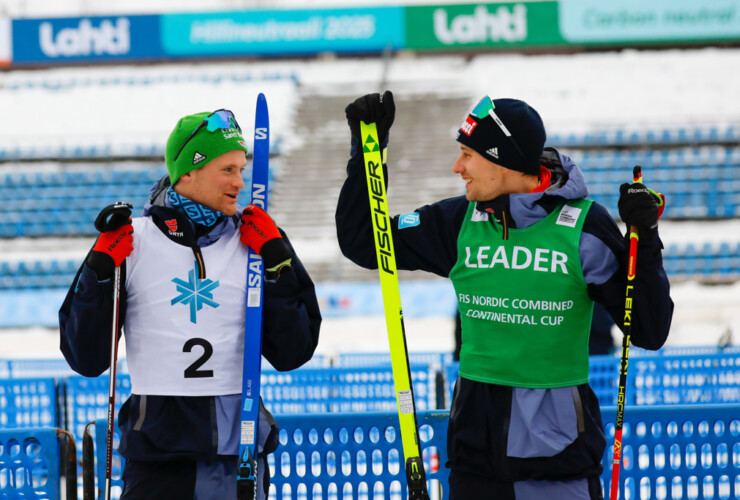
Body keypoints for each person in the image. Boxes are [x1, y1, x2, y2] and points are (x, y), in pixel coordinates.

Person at [336, 92, 673, 499]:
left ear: (501, 159)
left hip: (559, 466)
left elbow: (649, 330)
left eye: (467, 155)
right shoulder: (460, 221)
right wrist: (367, 151)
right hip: (475, 462)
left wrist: (646, 237)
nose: (457, 167)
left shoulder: (583, 228)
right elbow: (363, 241)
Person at [59, 108, 321, 500]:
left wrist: (278, 264)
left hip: (240, 447)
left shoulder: (257, 239)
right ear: (188, 172)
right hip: (159, 452)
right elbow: (87, 358)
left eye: (241, 169)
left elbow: (293, 351)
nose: (240, 182)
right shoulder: (132, 240)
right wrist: (98, 272)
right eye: (227, 170)